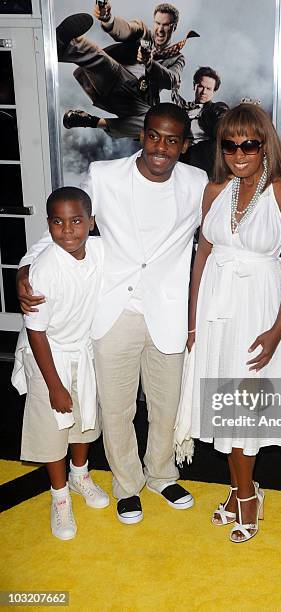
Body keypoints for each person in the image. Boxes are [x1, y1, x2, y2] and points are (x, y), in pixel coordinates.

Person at [17, 104, 207, 525]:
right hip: (113, 309)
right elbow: (66, 223)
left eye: (172, 139)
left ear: (184, 146)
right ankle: (126, 484)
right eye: (154, 135)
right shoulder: (105, 175)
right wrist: (25, 267)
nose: (161, 146)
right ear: (142, 135)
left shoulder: (197, 182)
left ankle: (160, 473)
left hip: (168, 311)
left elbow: (228, 223)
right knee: (117, 409)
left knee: (165, 406)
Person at [185, 104, 281, 543]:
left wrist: (278, 331)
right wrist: (192, 320)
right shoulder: (213, 190)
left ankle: (246, 496)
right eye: (230, 144)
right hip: (217, 308)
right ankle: (242, 491)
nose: (239, 153)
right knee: (225, 404)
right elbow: (201, 256)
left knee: (245, 406)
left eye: (249, 144)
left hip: (259, 309)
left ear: (264, 145)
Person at [11, 187, 109, 541]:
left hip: (82, 351)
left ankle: (79, 475)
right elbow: (36, 333)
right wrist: (54, 386)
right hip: (47, 357)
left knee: (82, 421)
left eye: (77, 221)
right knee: (54, 429)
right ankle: (60, 496)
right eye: (58, 222)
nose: (68, 230)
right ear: (48, 225)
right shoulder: (44, 270)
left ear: (91, 223)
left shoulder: (100, 252)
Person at [59, 3, 198, 139]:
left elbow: (172, 80)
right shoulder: (143, 33)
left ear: (174, 27)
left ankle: (90, 121)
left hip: (137, 102)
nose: (160, 30)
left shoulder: (177, 58)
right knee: (96, 55)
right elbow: (126, 30)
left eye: (166, 25)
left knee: (154, 123)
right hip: (116, 78)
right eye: (157, 23)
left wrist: (149, 63)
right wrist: (109, 20)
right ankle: (62, 46)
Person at [173, 66, 227, 144]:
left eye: (208, 89)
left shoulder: (216, 108)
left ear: (214, 92)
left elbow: (224, 119)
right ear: (194, 86)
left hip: (203, 152)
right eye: (201, 87)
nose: (204, 92)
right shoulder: (183, 108)